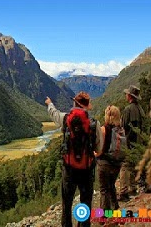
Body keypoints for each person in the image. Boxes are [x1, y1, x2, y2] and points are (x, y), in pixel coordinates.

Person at [45, 92, 103, 227]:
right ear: (87, 106)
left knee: (66, 203)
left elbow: (54, 114)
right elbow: (99, 149)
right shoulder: (94, 123)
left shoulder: (66, 119)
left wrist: (49, 104)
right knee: (85, 203)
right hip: (87, 170)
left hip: (69, 170)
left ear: (75, 103)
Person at [118, 85, 146, 201]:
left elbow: (123, 126)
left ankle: (123, 191)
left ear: (129, 96)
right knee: (134, 165)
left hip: (129, 141)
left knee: (125, 166)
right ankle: (133, 188)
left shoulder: (128, 109)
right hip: (138, 142)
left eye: (126, 94)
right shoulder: (140, 109)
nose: (125, 95)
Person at [96, 105, 122, 212]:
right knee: (112, 186)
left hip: (104, 164)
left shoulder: (103, 129)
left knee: (104, 190)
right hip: (116, 164)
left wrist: (94, 154)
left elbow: (100, 150)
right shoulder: (120, 129)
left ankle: (104, 216)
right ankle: (115, 208)